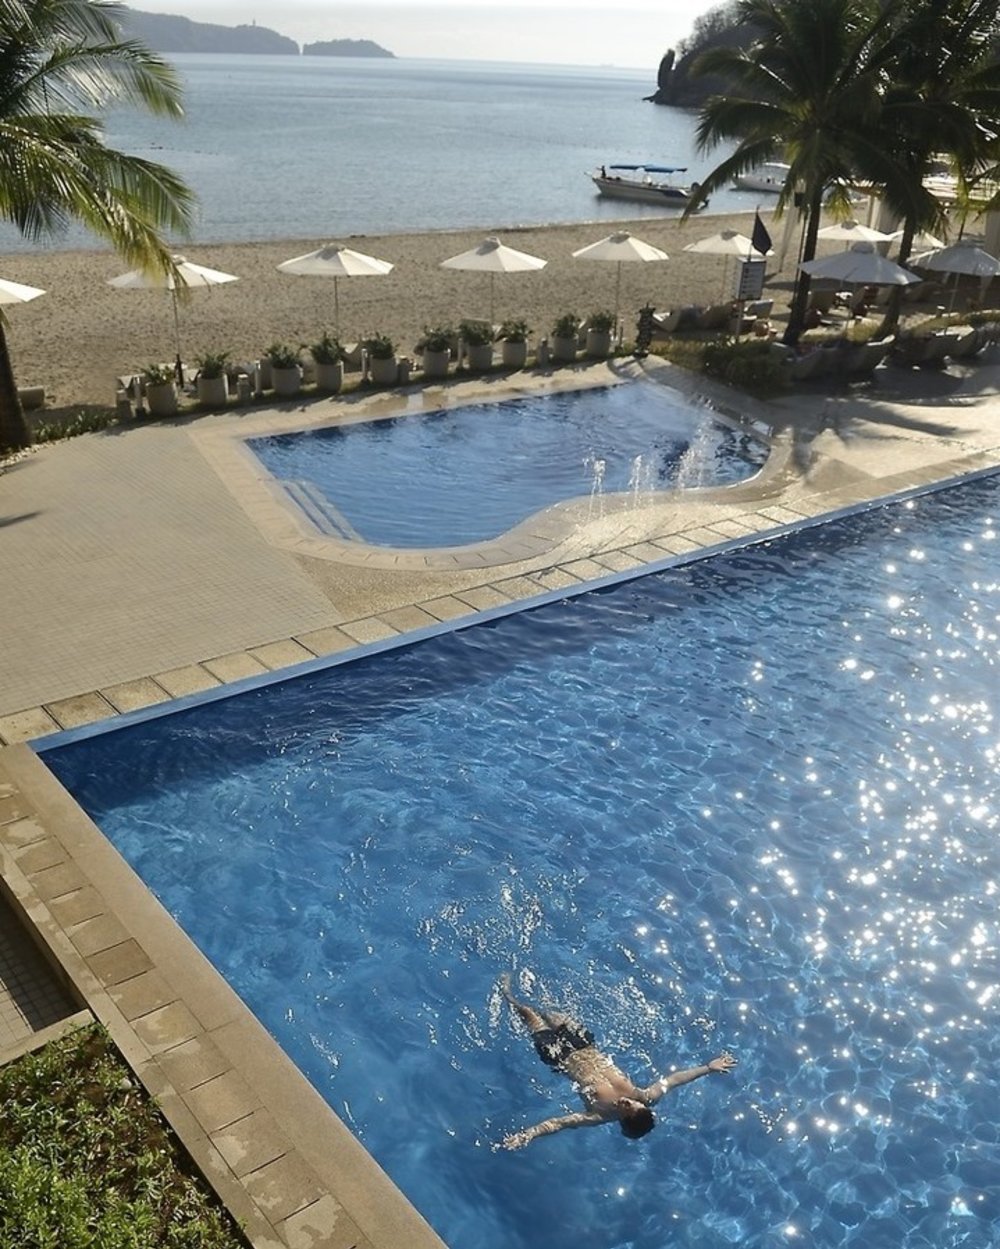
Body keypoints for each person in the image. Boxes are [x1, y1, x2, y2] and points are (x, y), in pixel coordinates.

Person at [499, 974, 737, 1149]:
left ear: (622, 1120)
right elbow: (675, 1080)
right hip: (587, 1046)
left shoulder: (599, 1115)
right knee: (553, 1013)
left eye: (626, 1108)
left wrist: (527, 1135)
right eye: (634, 1104)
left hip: (559, 1057)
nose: (627, 1102)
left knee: (528, 1014)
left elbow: (561, 1123)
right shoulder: (646, 1097)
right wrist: (708, 1068)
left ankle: (507, 992)